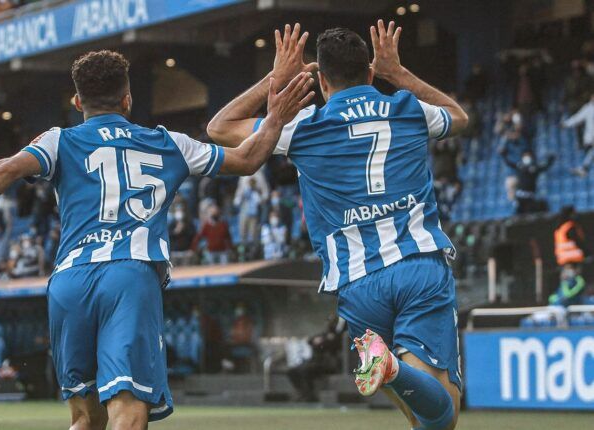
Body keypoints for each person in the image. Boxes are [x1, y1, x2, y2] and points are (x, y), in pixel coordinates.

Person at [0, 49, 314, 429]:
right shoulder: (170, 143)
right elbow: (245, 159)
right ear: (128, 98)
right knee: (129, 413)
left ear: (78, 103)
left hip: (69, 281)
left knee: (85, 419)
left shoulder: (60, 140)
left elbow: (4, 169)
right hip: (129, 277)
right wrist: (274, 112)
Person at [207, 21, 468, 429]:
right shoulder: (408, 108)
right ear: (369, 72)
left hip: (357, 282)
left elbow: (219, 128)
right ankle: (394, 369)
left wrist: (276, 78)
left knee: (422, 416)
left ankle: (387, 367)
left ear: (322, 83)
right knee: (443, 415)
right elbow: (459, 116)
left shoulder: (303, 127)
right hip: (418, 265)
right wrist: (397, 73)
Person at [287, 316, 345, 402]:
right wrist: (317, 340)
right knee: (292, 371)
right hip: (315, 362)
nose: (329, 324)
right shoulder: (325, 334)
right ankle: (302, 392)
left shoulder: (338, 335)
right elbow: (310, 340)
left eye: (332, 322)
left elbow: (333, 343)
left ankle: (309, 396)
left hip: (327, 364)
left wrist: (324, 340)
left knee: (306, 370)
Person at [501, 149, 555, 214]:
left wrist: (550, 159)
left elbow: (545, 166)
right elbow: (509, 163)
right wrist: (504, 156)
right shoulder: (520, 166)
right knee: (518, 215)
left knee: (529, 214)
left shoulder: (535, 167)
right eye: (525, 156)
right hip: (520, 197)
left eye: (528, 155)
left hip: (530, 197)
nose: (527, 157)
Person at [561, 94, 594, 177]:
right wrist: (566, 124)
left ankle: (584, 168)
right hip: (590, 139)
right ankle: (584, 168)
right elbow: (577, 118)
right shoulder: (588, 109)